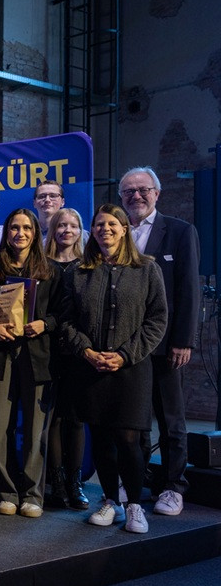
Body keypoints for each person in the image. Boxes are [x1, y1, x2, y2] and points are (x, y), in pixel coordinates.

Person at [61, 204, 167, 534]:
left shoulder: (147, 269)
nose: (105, 229)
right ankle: (110, 501)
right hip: (90, 367)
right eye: (99, 224)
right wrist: (87, 351)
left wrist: (124, 355)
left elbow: (157, 320)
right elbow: (65, 321)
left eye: (112, 224)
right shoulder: (77, 271)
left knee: (128, 438)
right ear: (92, 231)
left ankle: (135, 504)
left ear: (124, 229)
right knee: (102, 438)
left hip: (131, 369)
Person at [119, 167, 200, 517]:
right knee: (131, 419)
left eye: (142, 190)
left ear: (157, 193)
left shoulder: (180, 232)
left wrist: (183, 340)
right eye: (128, 192)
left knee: (170, 419)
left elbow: (189, 289)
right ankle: (135, 481)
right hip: (125, 346)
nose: (135, 196)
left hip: (167, 344)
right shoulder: (116, 232)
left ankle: (172, 486)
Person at [0, 209, 63, 518]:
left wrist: (45, 324)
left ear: (35, 232)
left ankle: (32, 494)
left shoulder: (51, 271)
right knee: (0, 427)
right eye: (14, 227)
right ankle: (6, 491)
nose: (20, 233)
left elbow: (63, 314)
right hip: (2, 356)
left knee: (34, 430)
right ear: (8, 232)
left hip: (37, 357)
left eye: (26, 227)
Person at [43, 208, 89, 510]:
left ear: (80, 230)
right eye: (61, 225)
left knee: (75, 418)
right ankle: (56, 483)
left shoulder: (89, 266)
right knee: (53, 419)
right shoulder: (42, 266)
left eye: (73, 225)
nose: (67, 230)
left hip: (76, 350)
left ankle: (76, 482)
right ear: (53, 229)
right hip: (46, 350)